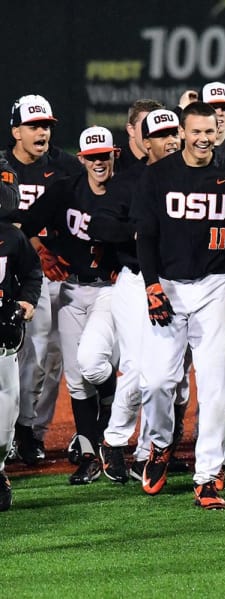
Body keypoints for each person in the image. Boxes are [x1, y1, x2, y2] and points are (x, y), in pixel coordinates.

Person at [131, 101, 225, 509]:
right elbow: (145, 236)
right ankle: (161, 444)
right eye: (195, 131)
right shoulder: (157, 175)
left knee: (216, 386)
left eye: (211, 130)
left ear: (219, 131)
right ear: (182, 132)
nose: (203, 138)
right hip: (167, 284)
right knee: (156, 382)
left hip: (216, 287)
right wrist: (151, 286)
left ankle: (207, 475)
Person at [90, 108, 190, 484]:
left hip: (179, 283)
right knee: (139, 366)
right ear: (144, 142)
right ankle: (114, 441)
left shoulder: (191, 177)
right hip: (135, 283)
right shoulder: (130, 179)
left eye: (173, 133)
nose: (170, 141)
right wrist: (140, 233)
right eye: (161, 135)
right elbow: (99, 223)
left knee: (172, 374)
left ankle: (150, 451)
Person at [20, 126, 121, 485]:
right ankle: (92, 455)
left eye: (103, 156)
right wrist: (42, 252)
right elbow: (27, 224)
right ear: (81, 159)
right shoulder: (65, 189)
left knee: (93, 365)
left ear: (115, 155)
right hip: (70, 289)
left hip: (110, 290)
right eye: (91, 157)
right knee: (77, 381)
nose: (98, 162)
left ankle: (115, 417)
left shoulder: (126, 190)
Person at [6, 94, 82, 465]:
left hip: (56, 275)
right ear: (16, 130)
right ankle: (12, 428)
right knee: (15, 355)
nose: (42, 133)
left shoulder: (66, 167)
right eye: (34, 126)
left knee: (49, 358)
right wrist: (35, 243)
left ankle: (31, 432)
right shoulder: (2, 167)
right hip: (11, 277)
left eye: (47, 127)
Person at [0, 159, 42, 511]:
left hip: (2, 338)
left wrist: (26, 302)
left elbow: (32, 272)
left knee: (4, 420)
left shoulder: (10, 237)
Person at [114, 99, 163, 172]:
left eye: (158, 128)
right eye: (146, 126)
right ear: (131, 130)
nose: (153, 133)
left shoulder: (166, 159)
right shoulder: (115, 163)